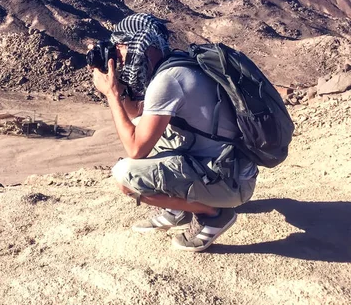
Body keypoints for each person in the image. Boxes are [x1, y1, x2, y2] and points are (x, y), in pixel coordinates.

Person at [90, 13, 258, 252]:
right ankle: (178, 209)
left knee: (125, 175)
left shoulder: (168, 80)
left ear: (141, 44)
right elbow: (137, 113)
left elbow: (135, 148)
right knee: (143, 126)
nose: (119, 57)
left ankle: (213, 214)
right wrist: (117, 88)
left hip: (231, 183)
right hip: (233, 169)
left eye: (120, 48)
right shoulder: (175, 64)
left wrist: (111, 95)